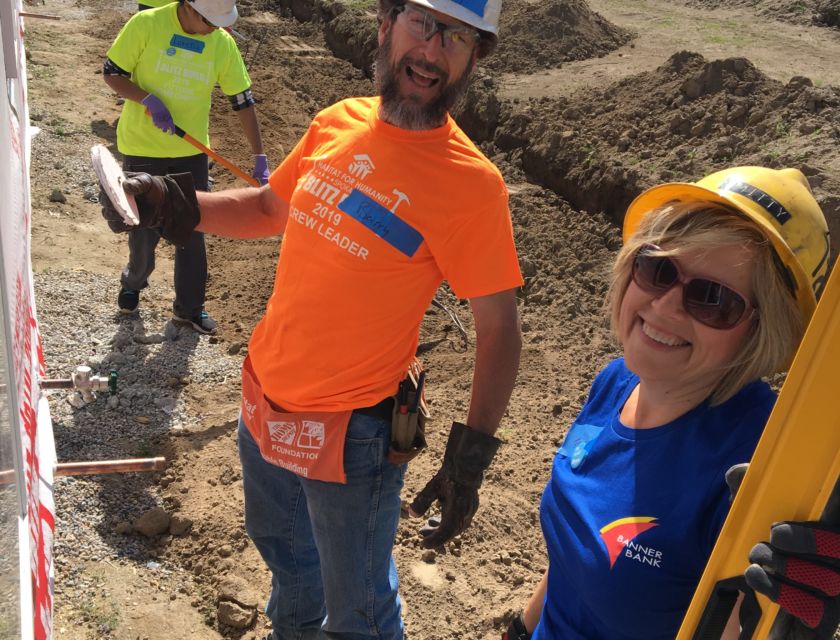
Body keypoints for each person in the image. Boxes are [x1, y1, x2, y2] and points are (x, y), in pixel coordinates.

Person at [99, 0, 522, 636]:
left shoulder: (472, 185)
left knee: (359, 612)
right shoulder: (338, 122)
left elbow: (499, 329)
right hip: (266, 398)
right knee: (290, 574)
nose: (433, 50)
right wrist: (172, 205)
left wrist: (470, 459)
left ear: (473, 60)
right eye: (422, 25)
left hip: (353, 437)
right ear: (387, 26)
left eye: (457, 38)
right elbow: (271, 208)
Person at [502, 166, 840, 640]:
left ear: (764, 331)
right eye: (658, 269)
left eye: (713, 299)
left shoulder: (760, 465)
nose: (664, 306)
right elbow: (581, 551)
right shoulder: (617, 380)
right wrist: (522, 627)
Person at [103, 0, 269, 334]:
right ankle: (134, 280)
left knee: (192, 231)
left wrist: (259, 156)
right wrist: (147, 99)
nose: (215, 29)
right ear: (190, 8)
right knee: (143, 233)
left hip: (189, 153)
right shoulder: (147, 24)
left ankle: (189, 309)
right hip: (142, 146)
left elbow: (242, 100)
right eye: (210, 22)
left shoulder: (221, 43)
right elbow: (113, 73)